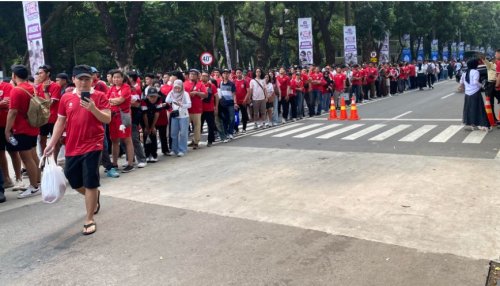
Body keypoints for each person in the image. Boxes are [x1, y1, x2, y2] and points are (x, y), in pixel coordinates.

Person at [44, 64, 111, 235]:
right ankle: (94, 195)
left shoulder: (101, 96)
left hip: (93, 144)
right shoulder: (66, 98)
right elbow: (60, 121)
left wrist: (93, 108)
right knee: (73, 180)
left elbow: (107, 118)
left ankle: (89, 218)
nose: (83, 82)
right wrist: (51, 143)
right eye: (80, 79)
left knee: (90, 180)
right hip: (72, 145)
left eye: (87, 79)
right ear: (73, 80)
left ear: (92, 80)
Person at [5, 65, 43, 199]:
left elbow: (12, 111)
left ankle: (34, 187)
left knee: (26, 158)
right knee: (33, 155)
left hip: (22, 128)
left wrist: (7, 130)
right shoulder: (32, 87)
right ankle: (37, 182)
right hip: (33, 125)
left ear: (14, 76)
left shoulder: (16, 90)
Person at [107, 70, 135, 173]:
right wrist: (114, 100)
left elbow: (120, 100)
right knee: (114, 140)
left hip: (123, 117)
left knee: (127, 139)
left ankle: (130, 164)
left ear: (123, 78)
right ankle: (114, 163)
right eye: (114, 77)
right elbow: (107, 99)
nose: (116, 79)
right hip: (113, 117)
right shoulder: (112, 88)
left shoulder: (126, 87)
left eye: (118, 77)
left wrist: (112, 100)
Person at [37, 65, 62, 160]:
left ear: (48, 74)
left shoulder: (55, 86)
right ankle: (45, 159)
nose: (39, 75)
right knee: (42, 140)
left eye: (41, 73)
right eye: (38, 73)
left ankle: (54, 160)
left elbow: (49, 104)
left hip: (53, 118)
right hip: (43, 119)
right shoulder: (38, 86)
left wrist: (45, 90)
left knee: (56, 141)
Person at [461, 59, 490, 131]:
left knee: (469, 109)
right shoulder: (475, 71)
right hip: (475, 93)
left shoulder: (464, 73)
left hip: (467, 94)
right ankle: (485, 126)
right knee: (479, 109)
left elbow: (461, 82)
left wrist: (465, 88)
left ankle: (472, 124)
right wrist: (482, 85)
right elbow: (475, 82)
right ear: (475, 65)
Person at [166, 80, 191, 157]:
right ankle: (174, 149)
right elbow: (167, 100)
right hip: (175, 115)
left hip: (183, 115)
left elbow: (189, 105)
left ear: (181, 87)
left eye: (178, 88)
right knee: (173, 133)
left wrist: (181, 105)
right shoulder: (171, 93)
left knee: (183, 133)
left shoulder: (185, 94)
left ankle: (182, 149)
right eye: (175, 87)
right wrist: (173, 100)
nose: (177, 89)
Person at [184, 69, 207, 149]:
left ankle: (196, 141)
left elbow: (205, 95)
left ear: (197, 76)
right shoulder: (185, 84)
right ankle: (183, 142)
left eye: (194, 74)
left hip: (197, 109)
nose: (192, 75)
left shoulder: (200, 84)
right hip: (186, 109)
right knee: (185, 126)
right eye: (190, 74)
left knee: (197, 126)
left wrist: (197, 93)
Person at [141, 87, 161, 162]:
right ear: (147, 96)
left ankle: (154, 155)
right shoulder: (143, 101)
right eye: (151, 96)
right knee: (146, 136)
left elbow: (157, 113)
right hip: (144, 120)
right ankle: (146, 154)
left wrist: (152, 127)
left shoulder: (159, 100)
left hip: (153, 119)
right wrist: (147, 127)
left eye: (155, 96)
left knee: (153, 135)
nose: (153, 98)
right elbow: (144, 115)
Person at [218, 69, 237, 138]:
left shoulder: (231, 83)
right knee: (224, 119)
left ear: (229, 75)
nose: (226, 75)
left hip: (230, 103)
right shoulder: (220, 83)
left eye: (227, 73)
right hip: (223, 104)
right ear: (222, 75)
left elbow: (234, 94)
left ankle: (230, 132)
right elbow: (218, 93)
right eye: (224, 73)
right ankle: (225, 132)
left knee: (232, 118)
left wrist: (235, 103)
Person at [200, 71, 218, 147]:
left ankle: (210, 140)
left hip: (209, 109)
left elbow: (216, 97)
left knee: (210, 126)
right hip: (200, 110)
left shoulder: (212, 86)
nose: (204, 77)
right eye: (202, 76)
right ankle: (196, 140)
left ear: (208, 77)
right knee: (198, 126)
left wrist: (216, 106)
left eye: (205, 76)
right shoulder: (199, 85)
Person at [234, 68, 249, 134]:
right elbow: (233, 92)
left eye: (240, 72)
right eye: (237, 73)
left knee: (244, 115)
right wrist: (234, 102)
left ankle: (244, 128)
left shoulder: (245, 82)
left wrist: (245, 99)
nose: (238, 74)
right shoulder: (233, 82)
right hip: (236, 102)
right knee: (235, 116)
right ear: (236, 74)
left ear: (241, 73)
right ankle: (236, 129)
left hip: (243, 102)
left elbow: (248, 91)